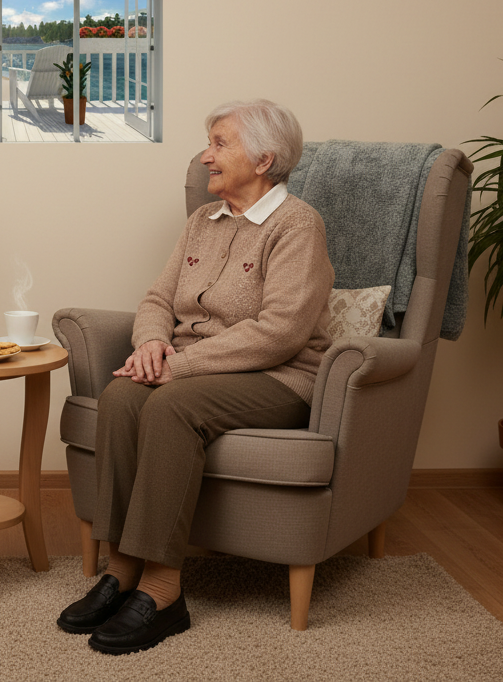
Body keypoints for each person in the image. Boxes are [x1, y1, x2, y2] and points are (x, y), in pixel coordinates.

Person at [56, 99, 334, 654]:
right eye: (209, 144)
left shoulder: (297, 224)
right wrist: (152, 344)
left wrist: (177, 368)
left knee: (169, 406)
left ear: (264, 159)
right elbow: (158, 297)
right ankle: (122, 569)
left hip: (278, 378)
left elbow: (280, 331)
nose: (205, 156)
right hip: (191, 368)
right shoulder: (202, 222)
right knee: (120, 397)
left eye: (219, 144)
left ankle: (163, 592)